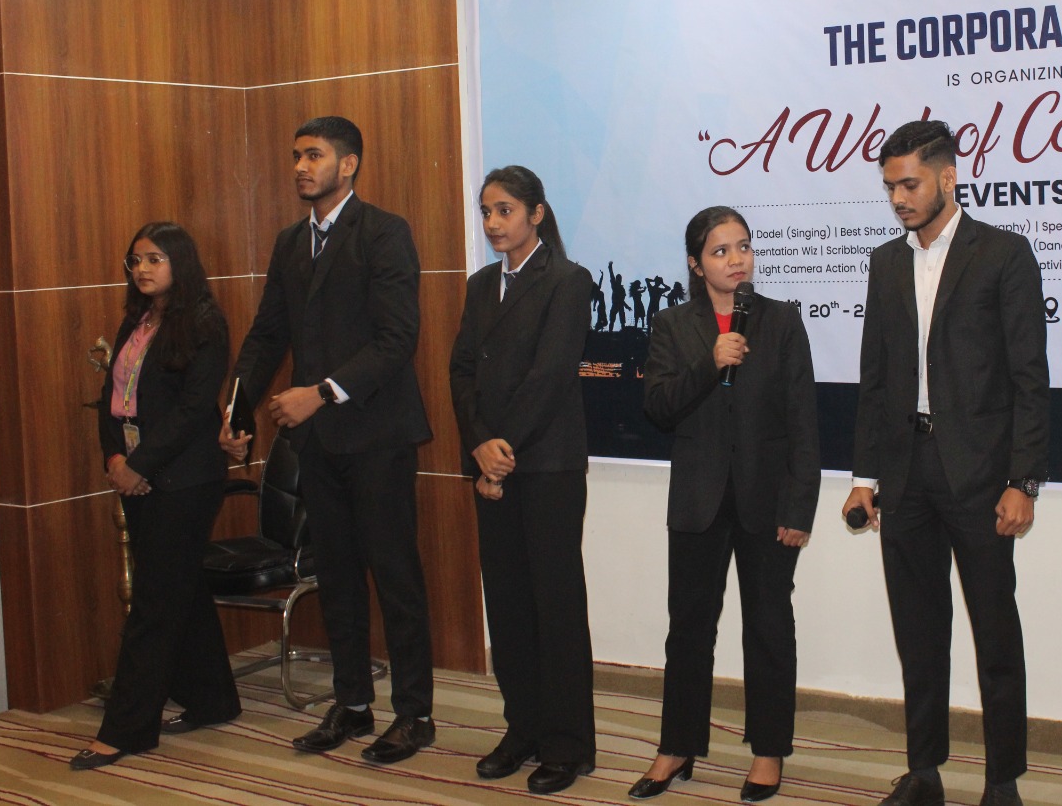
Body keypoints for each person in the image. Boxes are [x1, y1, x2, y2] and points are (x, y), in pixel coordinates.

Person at [842, 119, 1050, 806]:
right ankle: (924, 772)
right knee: (919, 632)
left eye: (910, 184)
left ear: (948, 177)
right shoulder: (884, 262)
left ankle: (1002, 781)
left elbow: (1029, 377)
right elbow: (876, 379)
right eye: (890, 187)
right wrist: (864, 479)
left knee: (996, 634)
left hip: (981, 476)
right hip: (905, 476)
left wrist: (1023, 481)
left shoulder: (1003, 253)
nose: (899, 198)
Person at [221, 116, 436, 765]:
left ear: (348, 165)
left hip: (378, 435)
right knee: (338, 579)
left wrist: (320, 392)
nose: (300, 167)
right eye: (296, 155)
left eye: (313, 155)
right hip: (318, 445)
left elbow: (397, 339)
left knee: (395, 577)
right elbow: (267, 335)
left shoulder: (384, 232)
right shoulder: (291, 242)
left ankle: (415, 714)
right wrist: (236, 411)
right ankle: (352, 705)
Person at [630, 207, 821, 802]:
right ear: (695, 263)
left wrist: (800, 508)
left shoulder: (782, 320)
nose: (736, 260)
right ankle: (677, 745)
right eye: (720, 251)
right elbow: (659, 407)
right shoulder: (672, 324)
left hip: (769, 502)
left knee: (769, 626)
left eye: (743, 247)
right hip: (699, 500)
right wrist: (709, 363)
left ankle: (769, 750)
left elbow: (803, 421)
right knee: (688, 629)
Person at [450, 165, 598, 795]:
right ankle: (523, 729)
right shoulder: (481, 285)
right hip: (493, 462)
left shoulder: (568, 280)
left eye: (505, 210)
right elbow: (461, 371)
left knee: (554, 605)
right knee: (508, 604)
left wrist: (500, 451)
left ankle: (568, 744)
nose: (492, 223)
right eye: (486, 211)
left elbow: (550, 375)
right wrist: (478, 445)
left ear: (536, 214)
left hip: (546, 465)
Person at [70, 223, 240, 770]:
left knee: (153, 601)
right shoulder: (137, 319)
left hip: (185, 478)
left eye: (154, 259)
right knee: (180, 588)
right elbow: (112, 397)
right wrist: (114, 460)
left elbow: (193, 411)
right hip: (136, 472)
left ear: (180, 263)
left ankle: (127, 729)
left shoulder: (206, 322)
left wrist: (139, 465)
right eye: (135, 260)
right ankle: (213, 700)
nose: (142, 269)